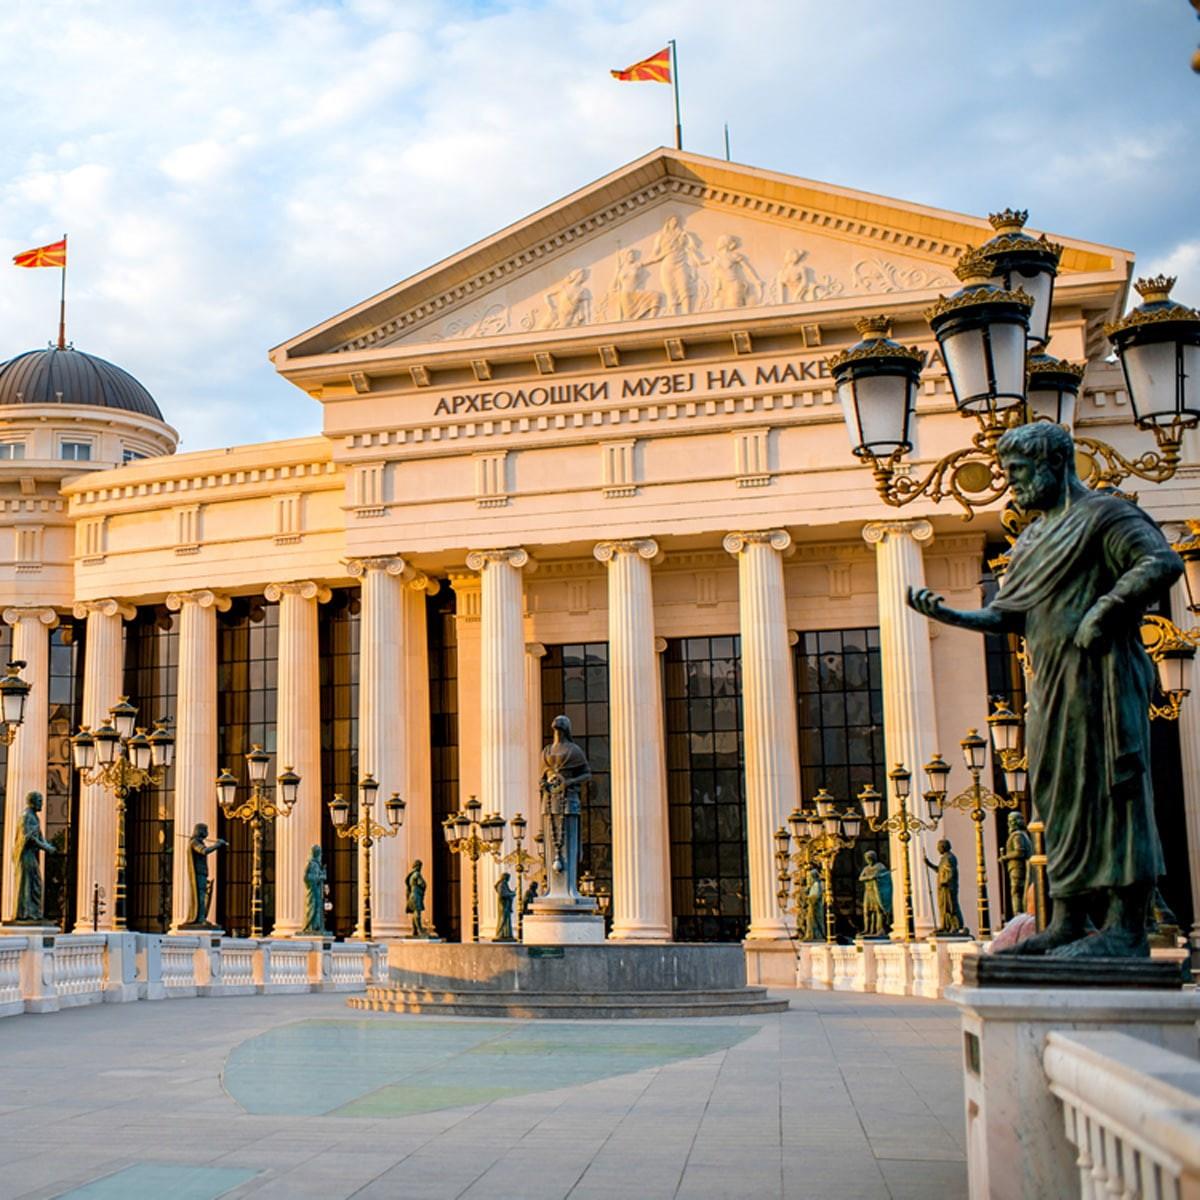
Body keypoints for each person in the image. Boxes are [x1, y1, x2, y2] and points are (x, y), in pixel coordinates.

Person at [909, 421, 1183, 958]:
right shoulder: (1033, 536)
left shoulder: (1104, 515)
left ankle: (1127, 930)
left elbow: (1161, 561)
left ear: (1055, 464)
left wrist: (1107, 608)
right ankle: (1068, 920)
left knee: (1111, 793)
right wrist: (950, 614)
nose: (1013, 485)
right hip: (1052, 688)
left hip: (1101, 679)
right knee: (1059, 798)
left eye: (1019, 472)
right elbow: (1009, 614)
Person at [538, 715, 591, 903]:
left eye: (560, 727)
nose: (557, 731)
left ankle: (568, 889)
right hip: (549, 800)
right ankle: (554, 889)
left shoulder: (574, 751)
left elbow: (586, 774)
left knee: (567, 839)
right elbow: (542, 776)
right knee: (551, 839)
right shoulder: (546, 751)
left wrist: (569, 781)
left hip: (569, 800)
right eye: (555, 727)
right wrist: (544, 784)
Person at [13, 791, 56, 923]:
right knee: (28, 882)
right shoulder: (26, 816)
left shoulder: (34, 817)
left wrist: (47, 845)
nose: (42, 804)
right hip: (25, 855)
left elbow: (39, 836)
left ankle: (33, 912)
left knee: (34, 883)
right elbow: (30, 837)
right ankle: (26, 914)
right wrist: (46, 848)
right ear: (32, 801)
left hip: (31, 855)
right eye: (39, 801)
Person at [184, 823, 226, 928]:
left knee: (204, 896)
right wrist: (217, 845)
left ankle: (201, 917)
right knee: (201, 896)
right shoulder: (194, 843)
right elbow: (204, 851)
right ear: (200, 831)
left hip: (202, 874)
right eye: (205, 830)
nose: (207, 833)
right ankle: (199, 919)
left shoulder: (199, 842)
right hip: (198, 874)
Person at [924, 839, 967, 936]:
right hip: (943, 888)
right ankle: (945, 926)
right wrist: (929, 864)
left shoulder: (950, 858)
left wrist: (944, 881)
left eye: (938, 847)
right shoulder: (944, 858)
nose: (938, 849)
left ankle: (956, 926)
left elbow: (951, 872)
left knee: (951, 906)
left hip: (948, 887)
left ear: (943, 847)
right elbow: (939, 870)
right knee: (943, 907)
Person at [999, 813, 1034, 923]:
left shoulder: (1017, 836)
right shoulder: (1023, 835)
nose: (1009, 823)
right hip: (1018, 868)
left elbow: (1019, 852)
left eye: (1011, 820)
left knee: (1016, 892)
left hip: (1017, 868)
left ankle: (1018, 915)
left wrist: (1005, 857)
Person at [858, 850, 892, 938]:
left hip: (877, 891)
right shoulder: (866, 868)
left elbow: (886, 878)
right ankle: (867, 929)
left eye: (869, 858)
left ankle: (879, 929)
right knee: (867, 911)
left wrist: (878, 879)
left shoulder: (880, 867)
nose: (868, 860)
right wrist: (870, 877)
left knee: (878, 911)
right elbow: (860, 878)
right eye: (867, 859)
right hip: (868, 892)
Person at [301, 845, 328, 935]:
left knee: (316, 908)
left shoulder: (314, 864)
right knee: (313, 907)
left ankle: (315, 926)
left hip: (316, 891)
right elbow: (312, 878)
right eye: (320, 853)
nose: (321, 855)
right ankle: (311, 926)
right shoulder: (313, 864)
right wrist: (323, 875)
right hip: (314, 891)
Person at [405, 861, 427, 938]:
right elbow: (422, 884)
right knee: (417, 912)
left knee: (415, 913)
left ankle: (415, 931)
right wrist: (424, 885)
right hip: (416, 895)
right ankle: (420, 930)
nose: (421, 868)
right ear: (417, 866)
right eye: (420, 866)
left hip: (412, 895)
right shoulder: (417, 874)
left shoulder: (411, 876)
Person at [495, 872, 516, 941]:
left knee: (506, 919)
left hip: (506, 904)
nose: (509, 879)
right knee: (503, 919)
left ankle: (506, 934)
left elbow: (507, 892)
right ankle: (499, 934)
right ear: (505, 877)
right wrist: (512, 894)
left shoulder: (505, 884)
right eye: (508, 878)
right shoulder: (501, 885)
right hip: (503, 904)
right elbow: (503, 894)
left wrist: (512, 892)